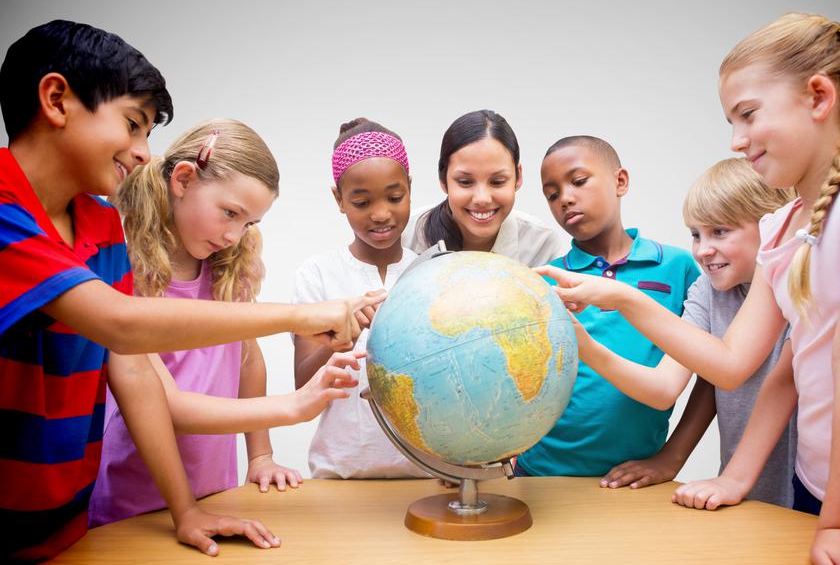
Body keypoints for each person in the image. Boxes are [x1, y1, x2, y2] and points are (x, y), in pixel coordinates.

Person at [538, 13, 840, 563]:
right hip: (817, 490)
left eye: (748, 115)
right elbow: (743, 365)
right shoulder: (782, 228)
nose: (737, 140)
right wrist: (736, 478)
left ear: (818, 96)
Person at [0, 20, 377, 560]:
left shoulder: (99, 224)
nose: (142, 152)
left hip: (70, 515)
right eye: (133, 125)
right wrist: (298, 327)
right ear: (56, 99)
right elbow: (123, 324)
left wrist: (188, 510)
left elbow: (131, 368)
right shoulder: (8, 211)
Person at [89, 119, 365, 526]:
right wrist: (292, 406)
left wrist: (260, 456)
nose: (236, 235)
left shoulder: (229, 268)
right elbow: (169, 409)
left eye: (249, 223)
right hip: (131, 504)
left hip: (215, 492)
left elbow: (247, 359)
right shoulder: (124, 274)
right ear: (183, 179)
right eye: (230, 213)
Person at [581, 158, 797, 507]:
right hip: (748, 489)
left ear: (771, 225)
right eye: (696, 234)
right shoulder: (708, 293)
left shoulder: (799, 287)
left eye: (720, 231)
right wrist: (671, 458)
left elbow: (769, 380)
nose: (703, 250)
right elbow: (666, 387)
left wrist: (623, 299)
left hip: (813, 486)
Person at [515, 135, 701, 477]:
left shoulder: (680, 268)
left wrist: (672, 458)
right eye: (552, 194)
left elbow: (711, 373)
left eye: (579, 181)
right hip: (539, 475)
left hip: (635, 480)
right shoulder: (544, 282)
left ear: (620, 181)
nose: (566, 199)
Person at [293, 118, 426, 478]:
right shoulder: (317, 274)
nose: (381, 213)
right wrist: (339, 340)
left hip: (425, 477)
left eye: (395, 197)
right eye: (362, 201)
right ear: (339, 199)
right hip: (340, 475)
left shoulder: (429, 274)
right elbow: (302, 385)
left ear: (410, 190)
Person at [402, 109, 563, 266]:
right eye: (465, 182)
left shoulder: (541, 246)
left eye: (497, 181)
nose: (482, 199)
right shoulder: (405, 236)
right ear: (443, 180)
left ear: (518, 176)